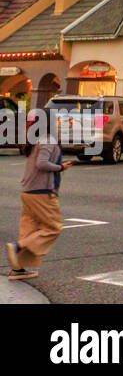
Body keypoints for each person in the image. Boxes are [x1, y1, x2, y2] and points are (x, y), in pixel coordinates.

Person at [6, 116, 75, 280]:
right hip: (41, 191)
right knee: (53, 227)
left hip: (28, 191)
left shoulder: (35, 140)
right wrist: (60, 167)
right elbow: (41, 163)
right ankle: (18, 248)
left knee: (29, 229)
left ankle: (18, 269)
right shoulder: (48, 140)